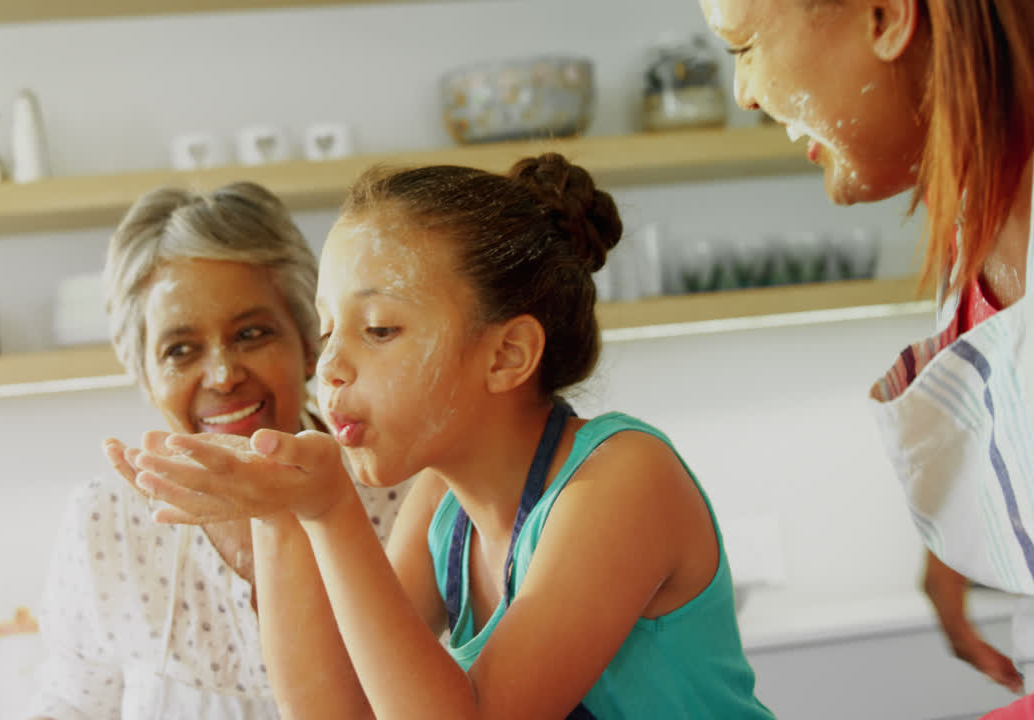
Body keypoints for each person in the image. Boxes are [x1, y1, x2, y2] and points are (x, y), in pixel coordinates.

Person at [129, 155, 776, 718]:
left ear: (507, 355)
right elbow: (337, 711)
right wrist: (279, 513)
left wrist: (331, 512)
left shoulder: (623, 478)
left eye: (378, 329)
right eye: (328, 330)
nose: (328, 366)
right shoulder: (443, 505)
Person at [696, 0, 1034, 706]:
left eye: (746, 45)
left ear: (885, 17)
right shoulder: (979, 209)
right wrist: (955, 540)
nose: (744, 92)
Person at [27, 183, 406, 720]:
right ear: (147, 374)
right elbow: (71, 705)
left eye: (252, 333)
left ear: (308, 343)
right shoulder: (108, 520)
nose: (224, 375)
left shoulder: (404, 496)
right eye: (181, 350)